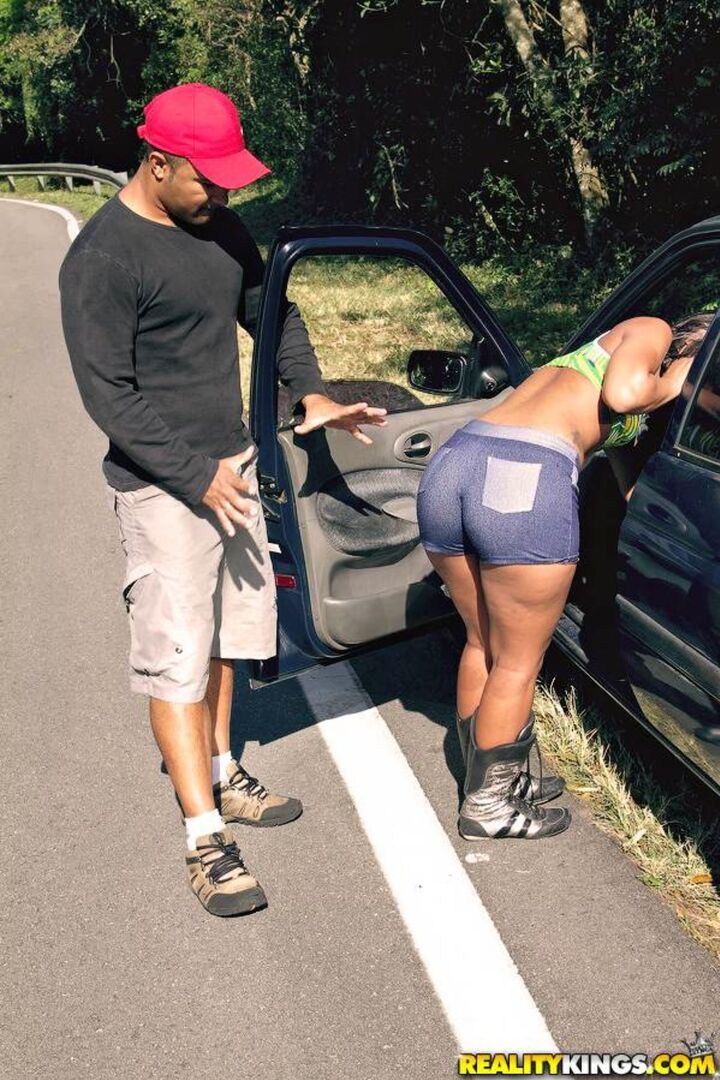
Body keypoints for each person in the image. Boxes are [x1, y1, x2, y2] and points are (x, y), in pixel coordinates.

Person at [59, 83, 387, 917]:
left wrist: (309, 393)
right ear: (157, 163)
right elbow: (108, 395)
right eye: (208, 179)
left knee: (230, 637)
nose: (224, 195)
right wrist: (192, 473)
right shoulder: (103, 259)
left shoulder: (222, 229)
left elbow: (276, 316)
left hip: (231, 469)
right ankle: (203, 838)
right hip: (162, 487)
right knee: (177, 655)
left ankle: (221, 769)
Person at [416, 313, 710, 841]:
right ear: (695, 345)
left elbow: (627, 485)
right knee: (518, 662)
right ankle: (488, 807)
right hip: (526, 475)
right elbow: (625, 394)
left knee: (483, 642)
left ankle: (490, 781)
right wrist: (679, 379)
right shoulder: (653, 330)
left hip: (455, 463)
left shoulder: (601, 369)